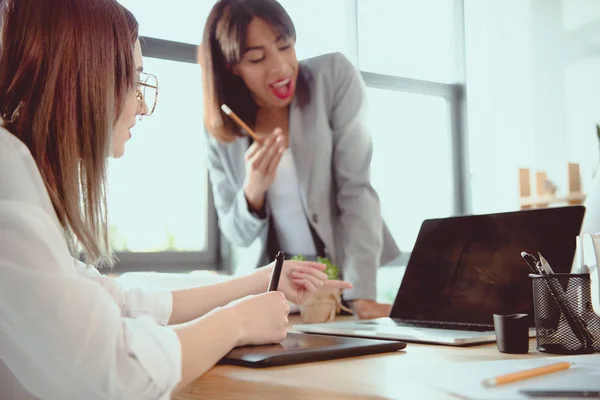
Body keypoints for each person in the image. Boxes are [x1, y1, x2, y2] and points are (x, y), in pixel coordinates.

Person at [0, 1, 351, 399]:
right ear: (83, 81)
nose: (142, 105)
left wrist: (263, 280)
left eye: (286, 46)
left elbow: (120, 302)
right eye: (133, 82)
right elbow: (114, 373)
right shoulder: (8, 190)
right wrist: (235, 322)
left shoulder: (18, 176)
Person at [200, 0, 400, 319]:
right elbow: (237, 234)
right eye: (257, 58)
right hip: (276, 298)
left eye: (285, 46)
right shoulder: (222, 129)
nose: (280, 67)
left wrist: (359, 292)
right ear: (231, 65)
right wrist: (253, 193)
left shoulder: (333, 77)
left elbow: (356, 191)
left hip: (341, 284)